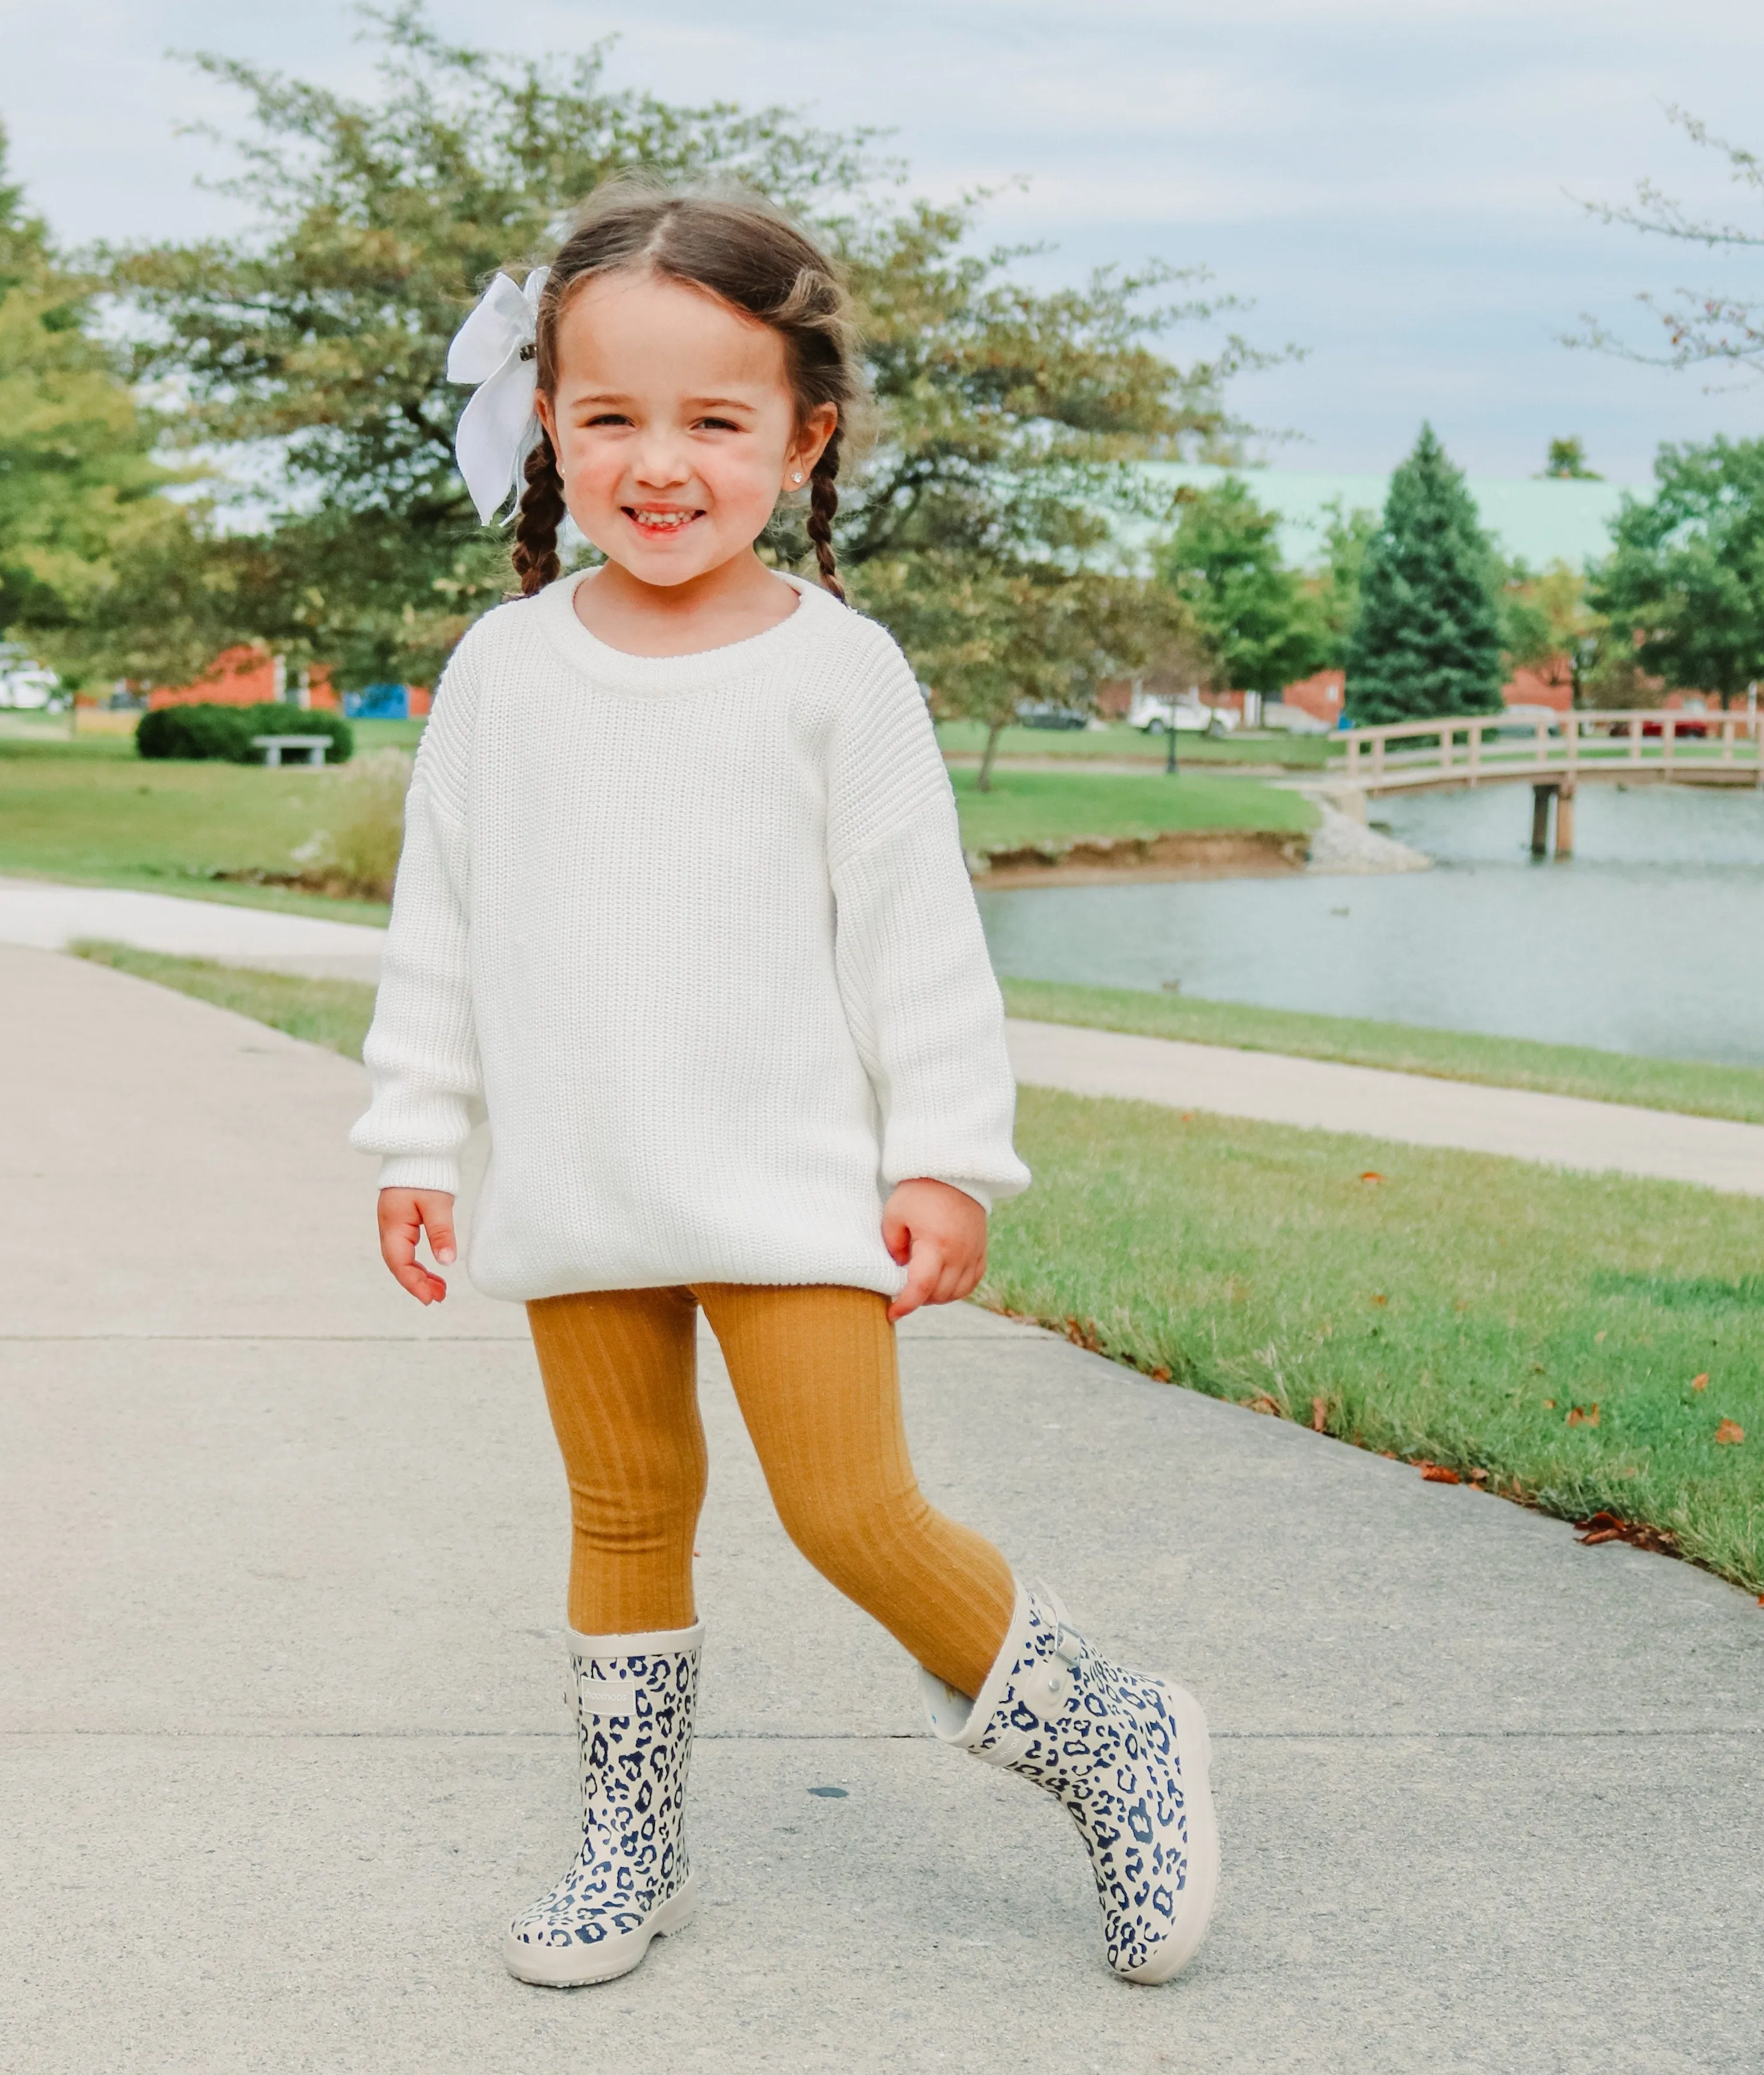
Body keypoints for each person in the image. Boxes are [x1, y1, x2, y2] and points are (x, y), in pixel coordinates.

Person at [352, 181, 1218, 1991]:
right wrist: (416, 1138)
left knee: (849, 1513)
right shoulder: (505, 672)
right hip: (579, 1177)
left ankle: (1115, 1732)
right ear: (546, 428)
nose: (658, 464)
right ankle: (628, 1841)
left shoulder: (842, 674)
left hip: (791, 1178)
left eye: (713, 422)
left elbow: (917, 941)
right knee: (618, 1510)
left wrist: (949, 1159)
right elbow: (441, 920)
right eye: (610, 417)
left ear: (802, 434)